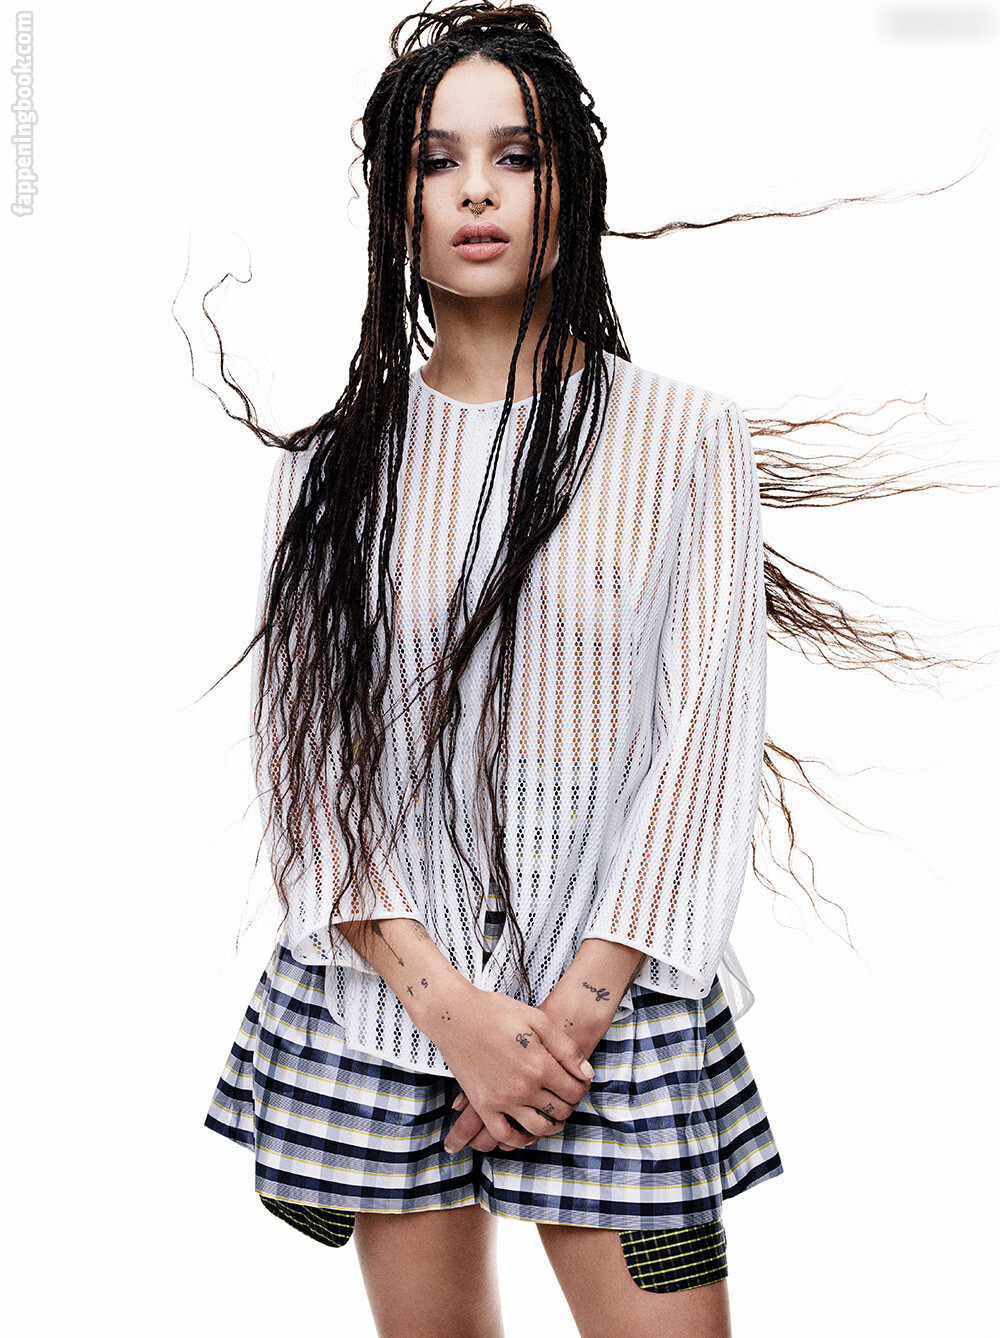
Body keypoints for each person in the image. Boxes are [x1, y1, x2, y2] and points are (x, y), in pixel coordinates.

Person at [198, 5, 980, 1336]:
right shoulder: (328, 470)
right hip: (391, 997)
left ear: (573, 185)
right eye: (438, 160)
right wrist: (453, 1014)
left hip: (611, 1005)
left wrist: (563, 1022)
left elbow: (702, 744)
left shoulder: (683, 437)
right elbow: (312, 782)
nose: (478, 190)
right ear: (396, 201)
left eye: (517, 155)